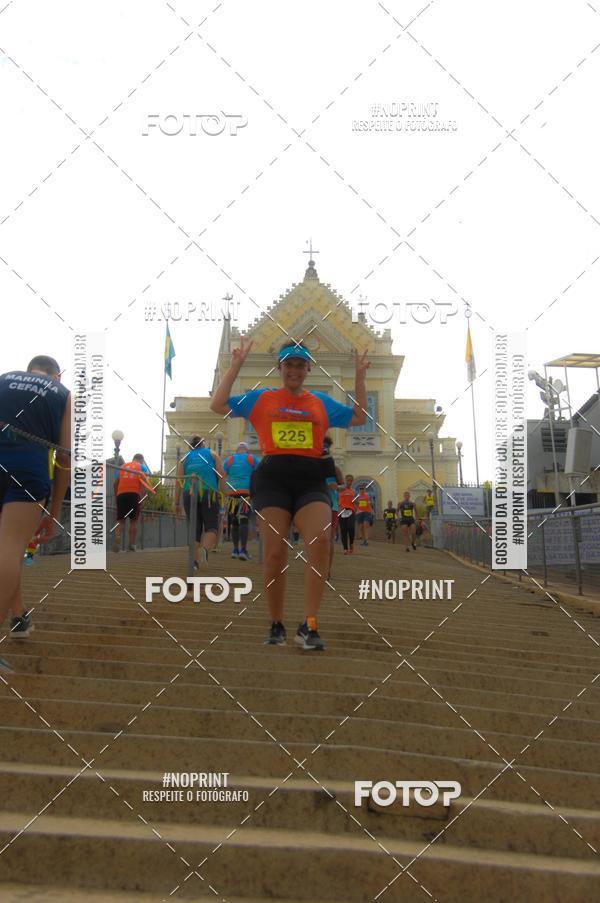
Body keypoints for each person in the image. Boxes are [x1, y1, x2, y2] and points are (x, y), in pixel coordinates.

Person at [210, 337, 370, 650]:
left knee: (321, 542)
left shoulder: (320, 402)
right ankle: (276, 623)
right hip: (273, 479)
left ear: (308, 368)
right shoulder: (263, 398)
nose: (294, 370)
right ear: (280, 368)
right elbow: (217, 405)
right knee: (274, 554)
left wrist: (360, 378)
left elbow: (359, 417)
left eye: (299, 364)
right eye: (288, 365)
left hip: (310, 479)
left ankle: (309, 625)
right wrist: (235, 366)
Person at [0, 356, 71, 671]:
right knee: (11, 548)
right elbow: (65, 457)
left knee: (6, 550)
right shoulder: (62, 393)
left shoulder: (4, 378)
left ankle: (18, 616)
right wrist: (53, 512)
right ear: (57, 375)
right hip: (27, 469)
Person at [175, 437, 225, 568]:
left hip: (189, 493)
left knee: (194, 529)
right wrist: (222, 494)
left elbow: (179, 481)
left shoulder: (184, 458)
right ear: (202, 444)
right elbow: (221, 475)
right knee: (212, 526)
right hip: (209, 491)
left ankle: (194, 563)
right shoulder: (212, 454)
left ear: (190, 446)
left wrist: (176, 503)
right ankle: (204, 549)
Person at [223, 441, 260, 560]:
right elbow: (260, 472)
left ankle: (235, 550)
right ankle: (243, 550)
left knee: (234, 521)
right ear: (247, 450)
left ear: (237, 450)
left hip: (232, 493)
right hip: (246, 493)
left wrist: (224, 491)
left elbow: (222, 475)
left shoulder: (229, 459)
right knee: (244, 520)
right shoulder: (251, 458)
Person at [112, 454, 155, 552]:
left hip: (121, 494)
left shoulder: (122, 466)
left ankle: (118, 537)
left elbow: (115, 483)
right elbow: (144, 483)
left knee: (120, 520)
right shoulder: (142, 467)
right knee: (133, 521)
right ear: (141, 460)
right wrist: (142, 498)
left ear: (133, 459)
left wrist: (117, 496)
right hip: (134, 494)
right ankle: (131, 545)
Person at [322, 435, 344, 580]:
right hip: (314, 506)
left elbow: (343, 486)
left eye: (326, 447)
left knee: (328, 540)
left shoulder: (335, 469)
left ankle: (327, 570)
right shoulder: (311, 466)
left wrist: (336, 487)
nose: (324, 449)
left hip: (331, 507)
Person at [338, 474, 357, 555]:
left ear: (352, 482)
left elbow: (356, 501)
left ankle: (351, 543)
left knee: (351, 527)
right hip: (342, 511)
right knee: (343, 530)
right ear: (345, 481)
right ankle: (345, 548)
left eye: (350, 481)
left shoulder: (353, 491)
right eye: (348, 480)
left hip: (351, 510)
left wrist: (356, 505)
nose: (349, 482)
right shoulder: (340, 490)